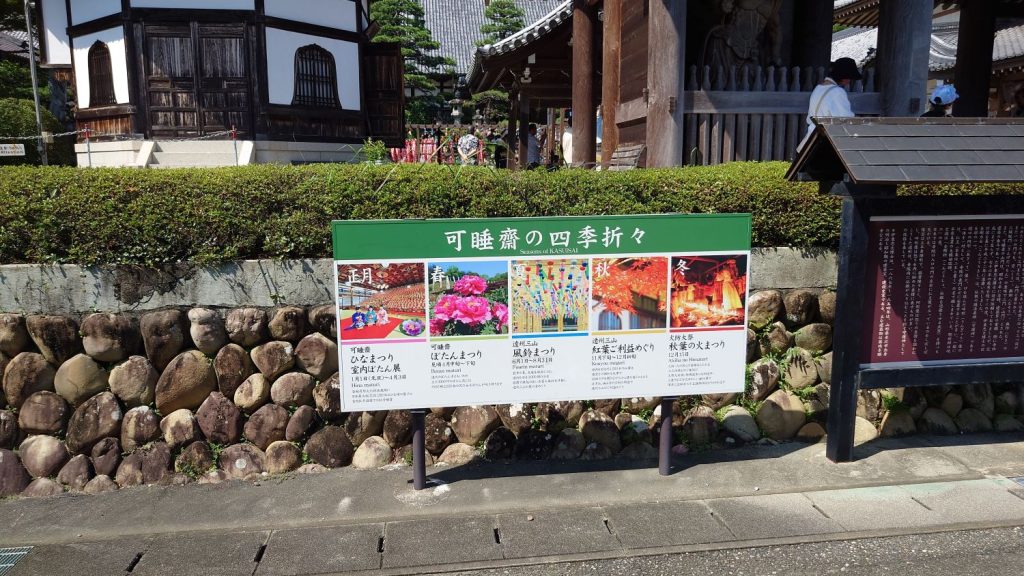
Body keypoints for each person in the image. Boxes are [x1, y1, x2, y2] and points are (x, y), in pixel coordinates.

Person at [801, 57, 859, 149]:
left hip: (811, 138)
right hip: (828, 139)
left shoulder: (818, 88)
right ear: (842, 75)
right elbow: (846, 119)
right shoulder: (838, 92)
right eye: (848, 77)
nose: (849, 81)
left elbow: (810, 119)